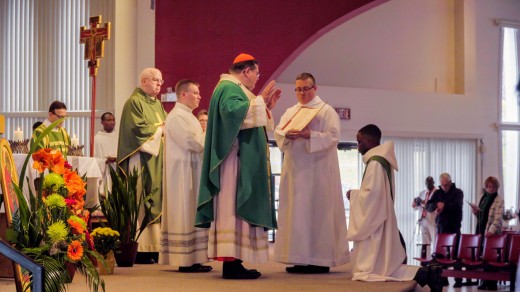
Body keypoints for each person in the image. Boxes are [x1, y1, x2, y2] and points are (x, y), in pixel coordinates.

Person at [195, 53, 281, 279]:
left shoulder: (232, 88)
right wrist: (260, 101)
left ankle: (235, 263)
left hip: (235, 159)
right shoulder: (229, 87)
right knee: (233, 212)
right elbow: (233, 115)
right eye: (257, 73)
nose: (257, 78)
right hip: (233, 162)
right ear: (246, 72)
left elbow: (245, 113)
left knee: (234, 213)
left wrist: (265, 105)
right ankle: (232, 266)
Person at [346, 124, 442, 291]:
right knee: (383, 266)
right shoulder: (381, 160)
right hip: (381, 216)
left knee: (376, 269)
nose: (357, 146)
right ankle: (425, 273)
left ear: (369, 141)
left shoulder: (375, 163)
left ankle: (426, 273)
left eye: (359, 141)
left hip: (375, 220)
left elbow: (372, 197)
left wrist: (353, 195)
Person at [273, 72, 349, 273]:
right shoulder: (291, 111)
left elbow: (333, 137)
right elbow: (278, 132)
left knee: (318, 213)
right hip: (296, 171)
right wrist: (286, 134)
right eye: (298, 89)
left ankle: (319, 260)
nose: (302, 93)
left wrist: (310, 135)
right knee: (296, 214)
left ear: (315, 89)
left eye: (306, 88)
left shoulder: (326, 111)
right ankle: (299, 258)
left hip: (318, 172)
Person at [160, 79, 212, 272]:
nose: (199, 96)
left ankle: (195, 258)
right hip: (181, 174)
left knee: (191, 211)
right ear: (183, 94)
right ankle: (185, 260)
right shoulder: (177, 116)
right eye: (196, 93)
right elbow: (194, 143)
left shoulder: (187, 115)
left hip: (191, 170)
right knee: (184, 211)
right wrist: (210, 133)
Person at [117, 68, 167, 264]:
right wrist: (160, 130)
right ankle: (143, 249)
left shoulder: (157, 104)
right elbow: (137, 130)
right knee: (142, 199)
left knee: (157, 199)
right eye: (155, 80)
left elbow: (167, 125)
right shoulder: (134, 102)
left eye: (161, 81)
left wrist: (165, 129)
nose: (159, 84)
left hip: (158, 159)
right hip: (142, 159)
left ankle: (155, 248)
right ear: (144, 81)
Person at [425, 173, 464, 287]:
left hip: (454, 226)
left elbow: (457, 205)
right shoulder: (438, 193)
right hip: (441, 227)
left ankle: (458, 280)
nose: (444, 187)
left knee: (456, 253)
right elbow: (428, 206)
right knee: (441, 254)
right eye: (442, 185)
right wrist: (436, 204)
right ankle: (443, 278)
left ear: (450, 182)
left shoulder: (458, 192)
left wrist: (444, 205)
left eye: (446, 185)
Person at [470, 176, 504, 290]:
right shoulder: (483, 198)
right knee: (483, 256)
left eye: (493, 186)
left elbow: (498, 219)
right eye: (489, 186)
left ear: (496, 187)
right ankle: (484, 281)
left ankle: (492, 283)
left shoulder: (499, 200)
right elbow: (481, 215)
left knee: (491, 257)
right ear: (486, 187)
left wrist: (491, 231)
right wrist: (475, 212)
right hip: (481, 230)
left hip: (492, 233)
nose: (491, 188)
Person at [93, 112, 118, 196]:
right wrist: (105, 160)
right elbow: (94, 159)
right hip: (104, 173)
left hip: (117, 171)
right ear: (102, 122)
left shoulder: (118, 137)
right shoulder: (97, 138)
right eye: (109, 120)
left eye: (113, 120)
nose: (112, 122)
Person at [412, 176, 437, 254]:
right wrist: (415, 203)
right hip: (423, 220)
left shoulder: (437, 193)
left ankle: (435, 261)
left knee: (435, 241)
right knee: (425, 244)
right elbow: (416, 207)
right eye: (426, 183)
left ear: (433, 183)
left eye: (430, 183)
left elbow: (433, 207)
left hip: (433, 221)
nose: (428, 185)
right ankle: (426, 262)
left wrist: (423, 203)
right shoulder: (422, 193)